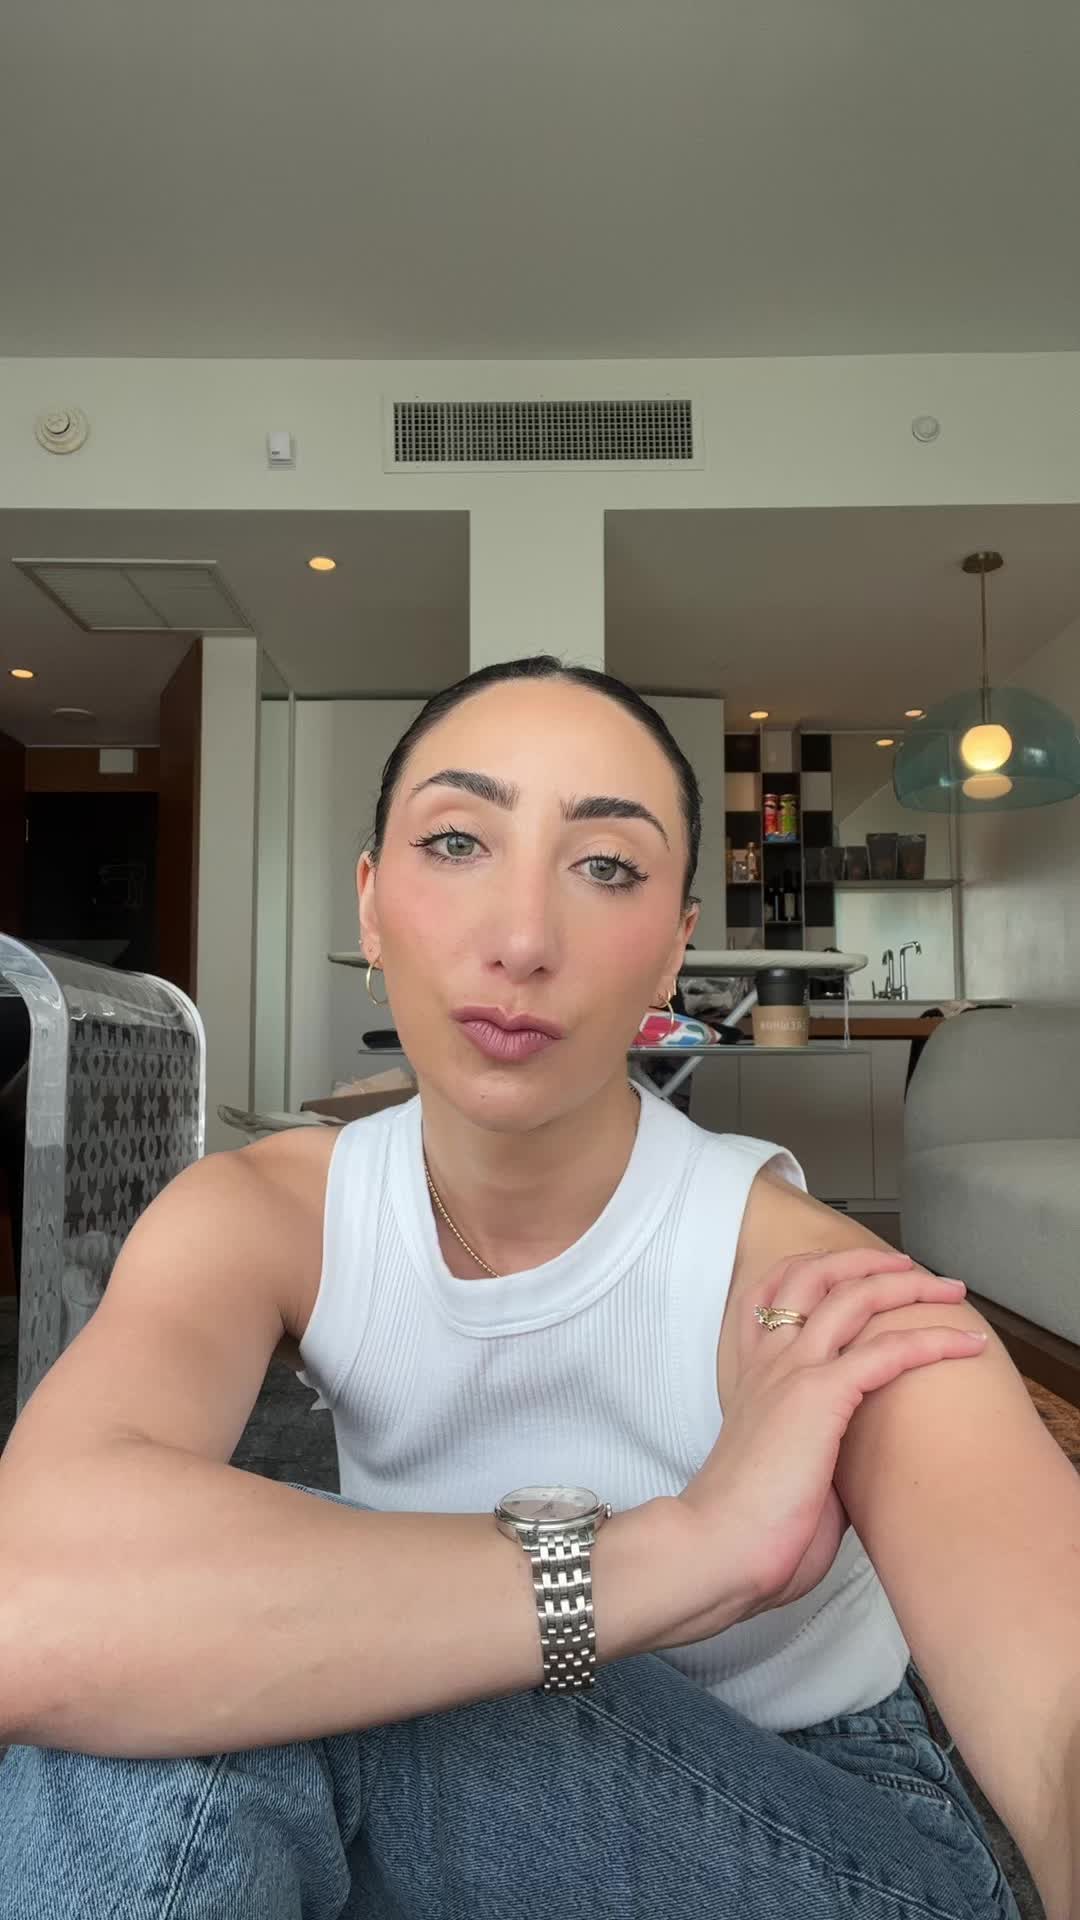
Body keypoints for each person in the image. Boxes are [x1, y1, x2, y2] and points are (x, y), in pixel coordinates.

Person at [0, 654, 1040, 1919]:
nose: (523, 940)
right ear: (371, 906)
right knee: (165, 1652)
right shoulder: (261, 1210)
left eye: (606, 866)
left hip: (823, 1832)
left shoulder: (804, 1285)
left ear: (672, 952)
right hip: (467, 1797)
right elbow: (29, 1596)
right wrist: (674, 1557)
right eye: (457, 842)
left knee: (190, 1657)